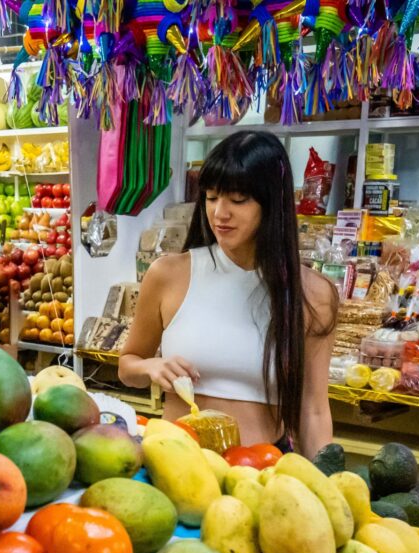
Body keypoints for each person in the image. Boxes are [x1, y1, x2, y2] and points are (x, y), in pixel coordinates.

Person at [118, 131, 338, 458]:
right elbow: (127, 366)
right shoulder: (168, 274)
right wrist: (150, 367)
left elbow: (314, 410)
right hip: (176, 465)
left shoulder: (313, 295)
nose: (220, 213)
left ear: (272, 203)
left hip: (263, 475)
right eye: (211, 197)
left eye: (237, 200)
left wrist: (325, 485)